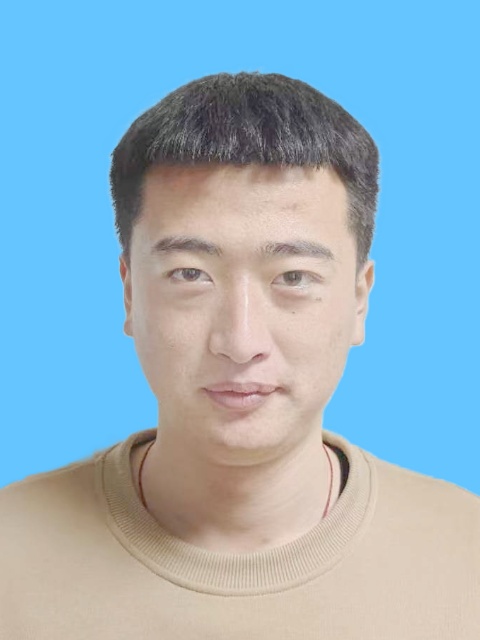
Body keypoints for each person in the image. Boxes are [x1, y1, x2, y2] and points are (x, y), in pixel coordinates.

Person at [1, 72, 478, 639]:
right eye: (190, 274)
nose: (241, 340)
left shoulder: (466, 554)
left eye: (293, 277)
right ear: (130, 293)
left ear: (359, 299)